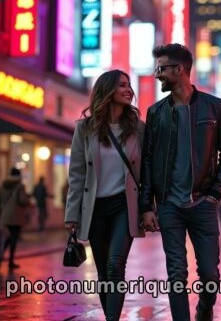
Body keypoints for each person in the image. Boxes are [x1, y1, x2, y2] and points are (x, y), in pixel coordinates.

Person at [139, 44, 221, 321]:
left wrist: (215, 194)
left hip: (203, 203)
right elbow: (147, 161)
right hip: (169, 204)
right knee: (176, 272)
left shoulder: (214, 107)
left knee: (209, 273)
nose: (157, 75)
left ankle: (204, 310)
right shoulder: (156, 112)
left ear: (179, 70)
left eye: (161, 69)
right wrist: (148, 205)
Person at [64, 69, 145, 321]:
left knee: (114, 264)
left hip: (124, 204)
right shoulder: (85, 129)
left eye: (129, 85)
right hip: (95, 208)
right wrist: (71, 214)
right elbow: (77, 175)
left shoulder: (138, 129)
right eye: (122, 85)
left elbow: (148, 170)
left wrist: (150, 206)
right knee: (102, 272)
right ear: (107, 90)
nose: (128, 89)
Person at [0, 168, 31, 270]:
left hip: (5, 216)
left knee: (8, 238)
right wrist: (27, 198)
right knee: (13, 238)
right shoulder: (20, 186)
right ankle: (10, 261)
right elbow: (23, 200)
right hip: (16, 216)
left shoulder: (3, 186)